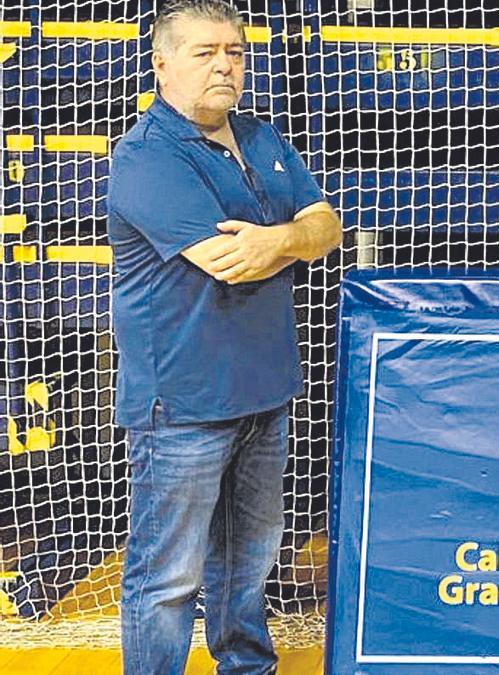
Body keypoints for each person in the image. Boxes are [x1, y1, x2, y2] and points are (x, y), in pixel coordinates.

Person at [105, 1, 341, 672]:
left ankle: (247, 666)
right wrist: (292, 236)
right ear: (162, 63)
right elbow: (228, 259)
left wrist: (282, 238)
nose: (224, 64)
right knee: (168, 579)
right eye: (205, 51)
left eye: (234, 51)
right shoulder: (146, 157)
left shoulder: (263, 136)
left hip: (264, 394)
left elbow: (327, 227)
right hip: (181, 406)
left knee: (248, 567)